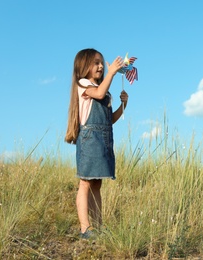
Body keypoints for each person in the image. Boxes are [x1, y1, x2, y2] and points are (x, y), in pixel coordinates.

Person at [65, 48, 128, 239]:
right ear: (84, 66)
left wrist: (124, 105)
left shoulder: (105, 93)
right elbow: (99, 93)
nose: (101, 66)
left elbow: (111, 120)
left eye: (102, 63)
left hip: (104, 139)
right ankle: (85, 228)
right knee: (85, 182)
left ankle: (98, 227)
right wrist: (112, 73)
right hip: (90, 139)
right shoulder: (84, 84)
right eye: (96, 63)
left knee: (97, 184)